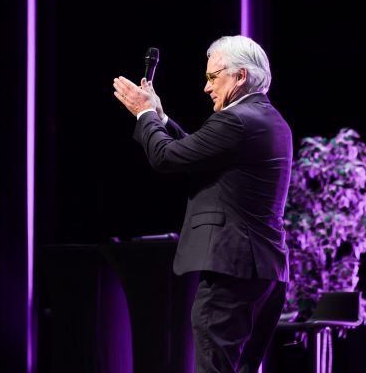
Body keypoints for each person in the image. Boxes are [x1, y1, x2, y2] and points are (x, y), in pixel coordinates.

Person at [112, 35, 292, 372]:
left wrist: (144, 113)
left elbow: (166, 157)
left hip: (232, 270)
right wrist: (161, 119)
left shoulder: (236, 120)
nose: (206, 87)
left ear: (240, 75)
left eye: (213, 76)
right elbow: (195, 152)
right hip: (263, 271)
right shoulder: (269, 120)